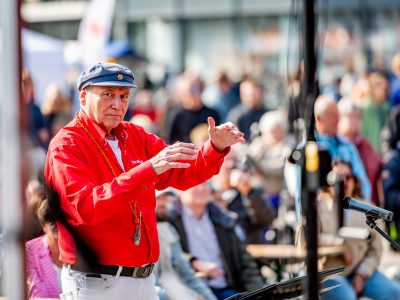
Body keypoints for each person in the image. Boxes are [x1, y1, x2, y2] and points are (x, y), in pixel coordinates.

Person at [44, 62, 245, 300]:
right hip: (97, 283)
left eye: (124, 96)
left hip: (142, 279)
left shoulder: (135, 134)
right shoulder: (67, 144)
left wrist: (215, 147)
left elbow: (184, 174)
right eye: (108, 94)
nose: (118, 104)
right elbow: (84, 208)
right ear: (84, 96)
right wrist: (147, 170)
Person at [166, 181, 265, 300]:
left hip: (227, 289)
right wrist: (194, 262)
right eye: (195, 184)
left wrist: (259, 294)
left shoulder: (223, 219)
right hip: (189, 291)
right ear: (178, 189)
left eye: (205, 184)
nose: (201, 189)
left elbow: (245, 263)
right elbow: (167, 257)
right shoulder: (167, 219)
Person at [316, 161, 400, 300]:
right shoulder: (317, 207)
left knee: (395, 292)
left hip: (361, 272)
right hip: (329, 274)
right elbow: (306, 241)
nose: (344, 182)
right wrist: (338, 245)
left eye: (347, 177)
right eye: (338, 178)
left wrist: (362, 273)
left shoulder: (366, 207)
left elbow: (376, 250)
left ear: (354, 180)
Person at [155, 188, 217, 300]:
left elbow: (186, 274)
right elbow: (152, 282)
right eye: (158, 198)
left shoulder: (169, 229)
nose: (163, 203)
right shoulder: (139, 234)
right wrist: (190, 296)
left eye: (165, 199)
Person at [314, 95, 371, 200]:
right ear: (319, 118)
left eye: (338, 115)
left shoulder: (347, 146)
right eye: (332, 116)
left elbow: (364, 183)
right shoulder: (310, 148)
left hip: (349, 209)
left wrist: (361, 208)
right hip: (321, 210)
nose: (337, 120)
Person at [26, 199, 62, 298]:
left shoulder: (79, 250)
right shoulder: (31, 249)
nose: (56, 224)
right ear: (43, 226)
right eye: (50, 219)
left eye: (60, 219)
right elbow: (36, 295)